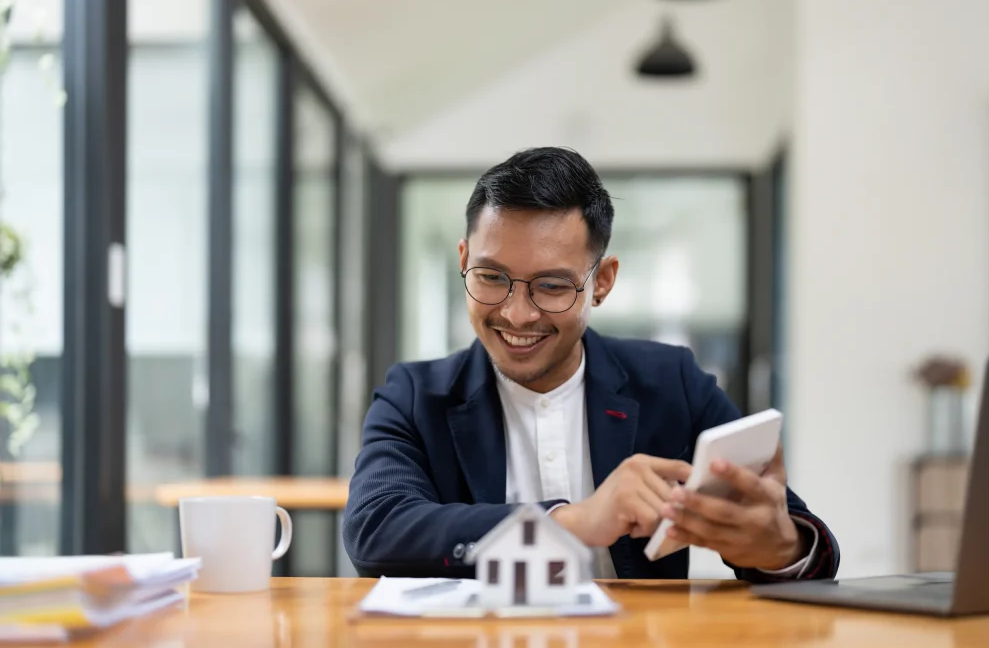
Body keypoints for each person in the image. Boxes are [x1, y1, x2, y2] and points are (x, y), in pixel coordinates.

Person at [342, 146, 839, 581]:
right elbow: (375, 530)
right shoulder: (413, 395)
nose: (517, 313)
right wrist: (571, 522)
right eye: (491, 277)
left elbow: (796, 538)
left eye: (552, 286)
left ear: (601, 282)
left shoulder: (673, 383)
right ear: (463, 258)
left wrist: (781, 549)